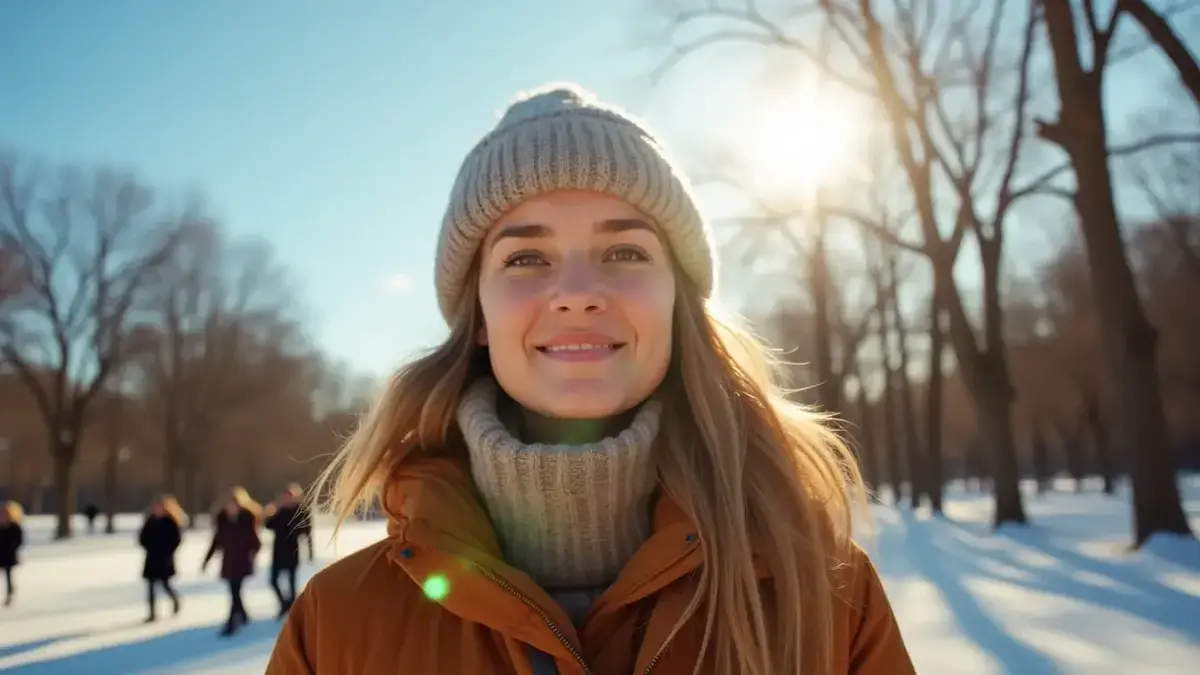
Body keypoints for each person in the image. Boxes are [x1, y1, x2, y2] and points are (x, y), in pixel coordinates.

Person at [267, 84, 915, 674]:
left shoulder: (826, 592)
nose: (577, 292)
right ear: (480, 316)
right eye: (526, 256)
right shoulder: (338, 622)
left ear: (677, 299)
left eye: (624, 251)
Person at [203, 486, 262, 637]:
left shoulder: (247, 519)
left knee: (234, 591)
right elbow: (216, 542)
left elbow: (255, 542)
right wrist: (206, 560)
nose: (231, 508)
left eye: (234, 504)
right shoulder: (222, 521)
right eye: (229, 504)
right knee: (234, 591)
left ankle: (231, 624)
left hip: (242, 561)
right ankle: (243, 615)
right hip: (228, 562)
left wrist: (253, 555)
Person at [264, 483, 314, 618]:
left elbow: (308, 532)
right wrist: (272, 512)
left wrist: (310, 552)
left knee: (291, 582)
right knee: (273, 580)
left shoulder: (301, 510)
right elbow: (268, 525)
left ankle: (292, 609)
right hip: (278, 550)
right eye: (285, 496)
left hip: (293, 550)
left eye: (291, 496)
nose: (288, 499)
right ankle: (284, 604)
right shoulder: (278, 510)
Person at [138, 495, 186, 622]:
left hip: (165, 559)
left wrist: (167, 551)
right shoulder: (150, 522)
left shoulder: (170, 523)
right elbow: (142, 538)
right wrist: (149, 546)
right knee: (150, 587)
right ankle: (152, 613)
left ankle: (175, 600)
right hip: (151, 558)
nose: (157, 510)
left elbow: (176, 540)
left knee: (165, 584)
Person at [0, 501, 23, 607]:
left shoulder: (14, 527)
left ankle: (9, 593)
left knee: (8, 576)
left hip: (9, 556)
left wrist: (11, 547)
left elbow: (19, 540)